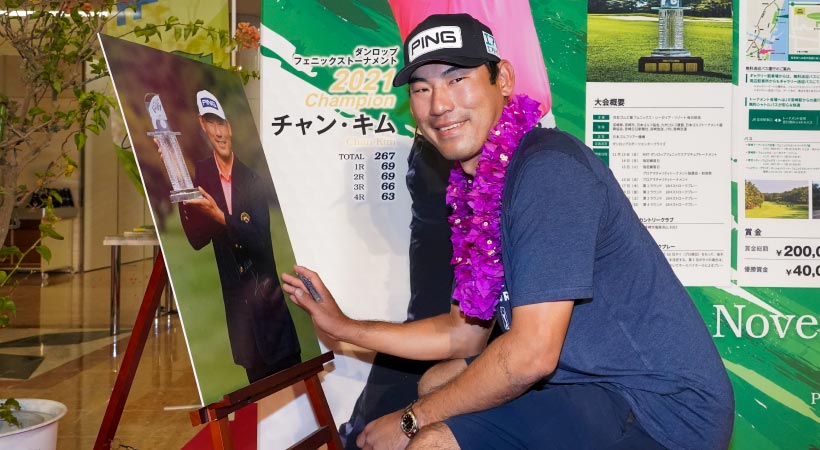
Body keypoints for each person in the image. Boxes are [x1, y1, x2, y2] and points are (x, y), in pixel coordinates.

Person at [283, 13, 734, 450]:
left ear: (503, 80)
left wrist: (410, 421)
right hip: (580, 378)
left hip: (660, 407)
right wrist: (345, 327)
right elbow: (463, 335)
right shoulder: (475, 187)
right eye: (422, 88)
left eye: (457, 79)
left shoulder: (548, 171)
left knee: (433, 441)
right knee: (436, 380)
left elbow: (531, 355)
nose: (439, 105)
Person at [179, 90, 301, 383]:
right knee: (256, 388)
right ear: (203, 125)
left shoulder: (252, 179)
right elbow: (197, 239)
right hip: (241, 318)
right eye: (212, 123)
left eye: (222, 124)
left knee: (291, 381)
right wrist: (180, 182)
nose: (219, 132)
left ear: (230, 127)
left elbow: (259, 239)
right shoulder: (202, 175)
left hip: (270, 310)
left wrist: (220, 216)